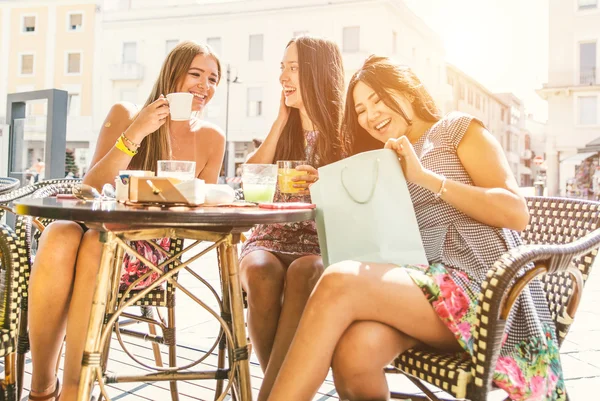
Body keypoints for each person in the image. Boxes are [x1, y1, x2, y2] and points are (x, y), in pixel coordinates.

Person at [267, 56, 565, 401]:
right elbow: (375, 230)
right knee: (355, 352)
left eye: (378, 100)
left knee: (337, 279)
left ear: (408, 90)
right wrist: (328, 185)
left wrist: (426, 178)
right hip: (424, 285)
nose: (370, 116)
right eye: (361, 110)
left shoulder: (456, 129)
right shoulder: (386, 157)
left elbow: (517, 213)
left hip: (482, 288)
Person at [27, 41, 225, 401]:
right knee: (58, 235)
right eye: (196, 74)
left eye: (213, 79)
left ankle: (74, 391)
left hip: (150, 249)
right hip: (96, 230)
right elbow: (91, 188)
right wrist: (137, 131)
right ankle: (42, 389)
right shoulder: (127, 112)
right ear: (171, 74)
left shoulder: (212, 138)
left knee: (94, 246)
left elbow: (201, 206)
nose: (205, 85)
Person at [240, 35, 345, 400]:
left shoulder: (346, 133)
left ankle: (271, 395)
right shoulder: (283, 130)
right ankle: (282, 393)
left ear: (318, 74)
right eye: (282, 68)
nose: (283, 77)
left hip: (320, 241)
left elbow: (357, 198)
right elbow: (249, 181)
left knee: (307, 270)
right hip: (270, 236)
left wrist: (325, 182)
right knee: (259, 270)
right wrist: (280, 120)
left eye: (294, 68)